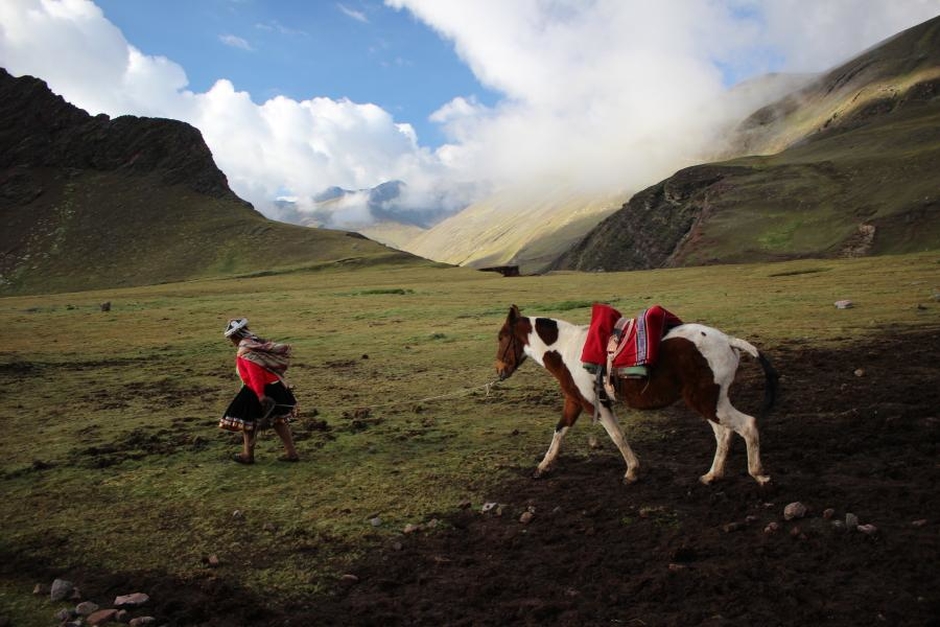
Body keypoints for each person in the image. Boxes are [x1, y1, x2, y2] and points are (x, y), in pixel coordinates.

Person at [219, 318, 299, 464]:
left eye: (232, 338)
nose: (232, 342)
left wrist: (260, 395)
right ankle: (291, 453)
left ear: (236, 336)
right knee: (278, 421)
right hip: (275, 385)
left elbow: (255, 374)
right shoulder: (256, 343)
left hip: (258, 389)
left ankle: (247, 455)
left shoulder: (246, 351)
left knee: (247, 423)